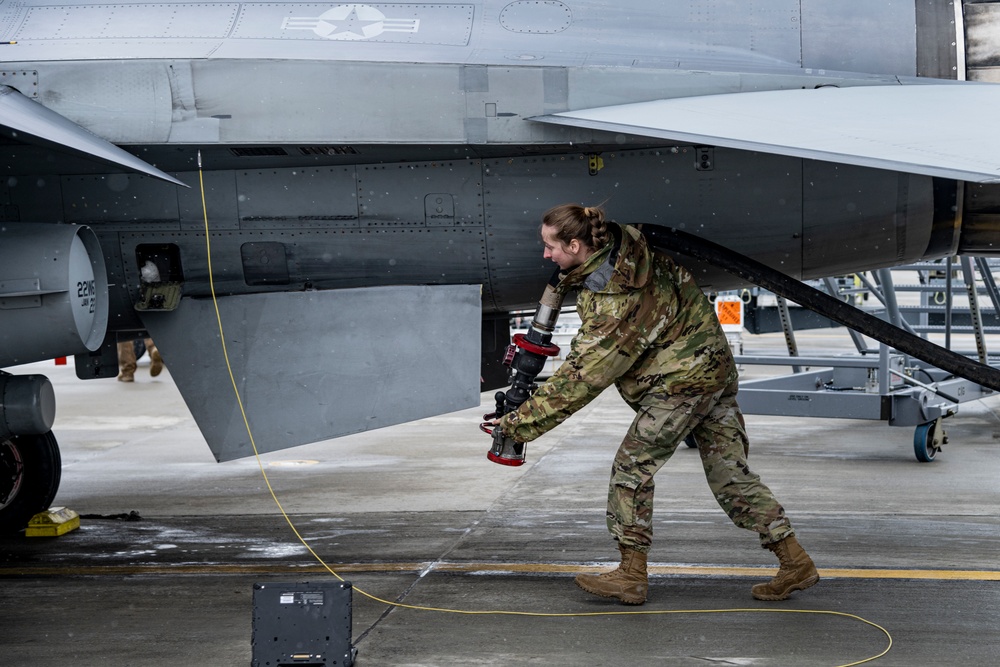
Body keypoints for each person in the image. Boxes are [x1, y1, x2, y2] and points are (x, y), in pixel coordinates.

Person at [495, 203, 818, 605]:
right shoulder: (621, 247)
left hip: (680, 383)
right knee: (729, 475)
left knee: (632, 468)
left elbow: (583, 378)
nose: (545, 255)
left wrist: (517, 425)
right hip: (712, 370)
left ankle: (631, 575)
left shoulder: (616, 296)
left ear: (575, 244)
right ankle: (794, 561)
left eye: (550, 246)